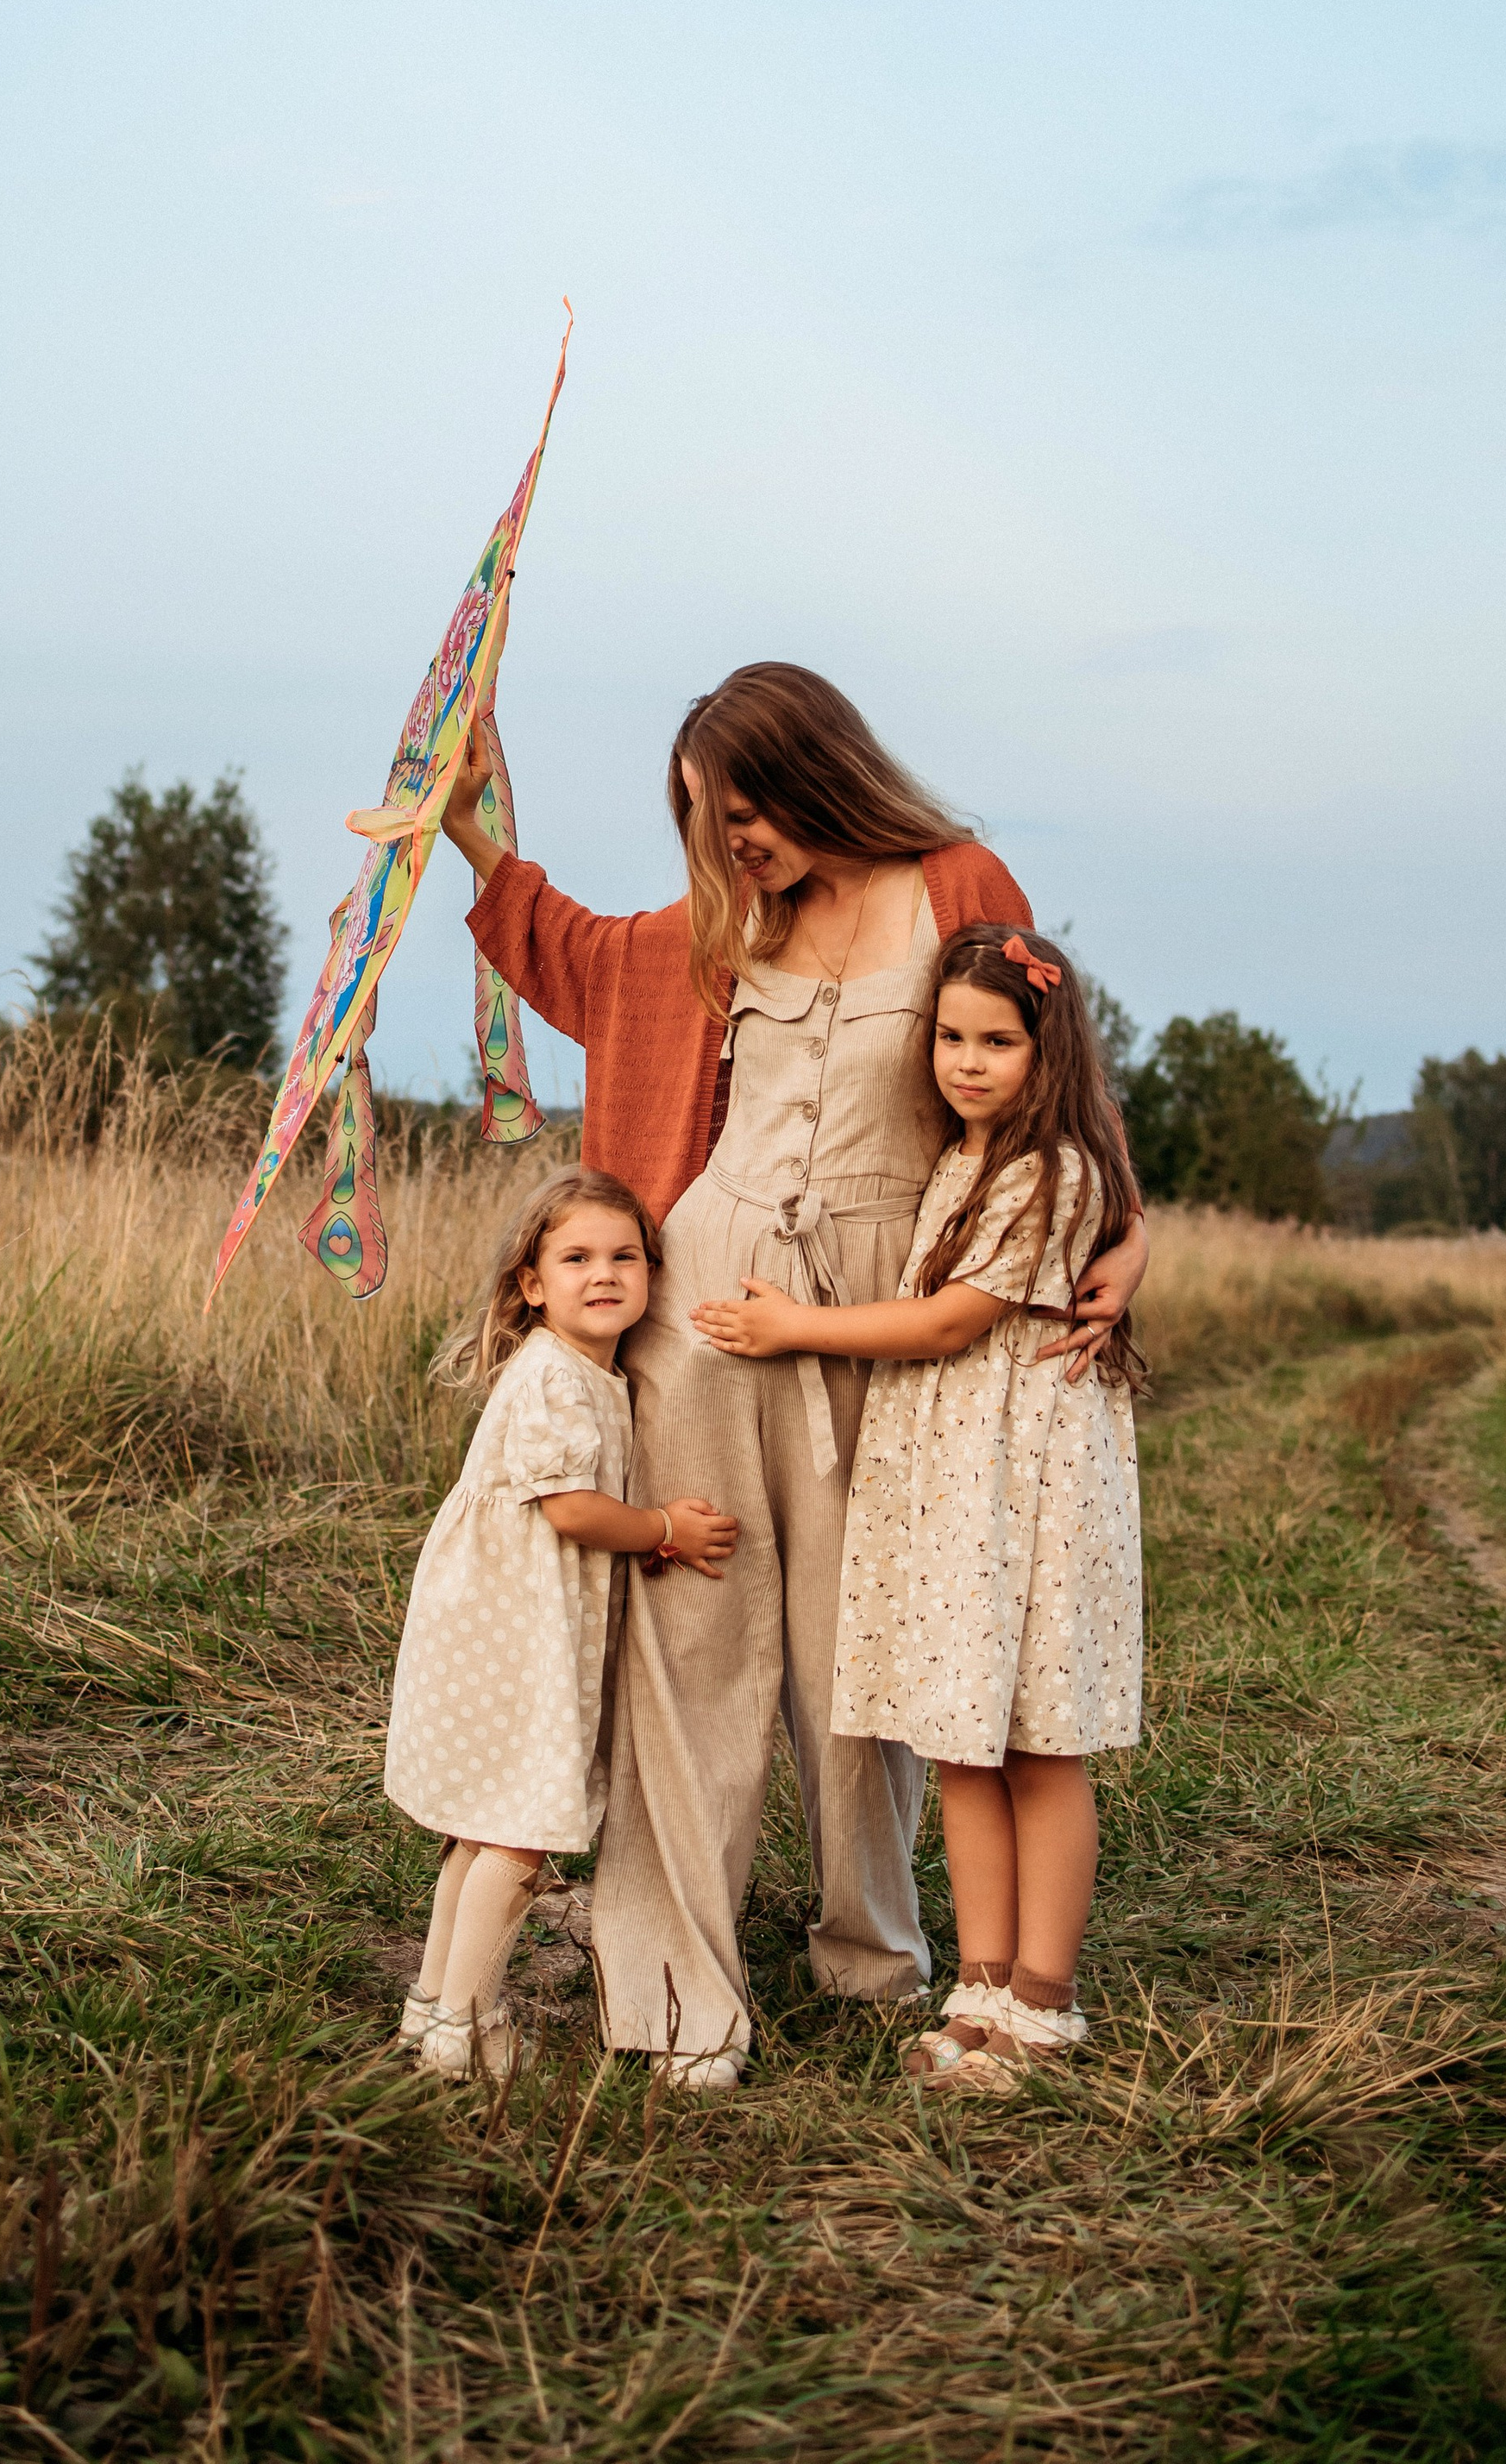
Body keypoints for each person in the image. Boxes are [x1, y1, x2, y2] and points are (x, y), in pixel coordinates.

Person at [441, 663, 1147, 2084]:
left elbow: (1051, 1069)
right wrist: (471, 838)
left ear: (818, 776)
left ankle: (870, 1948)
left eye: (744, 813)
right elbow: (586, 962)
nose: (728, 844)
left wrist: (1126, 1233)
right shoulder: (726, 918)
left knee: (860, 1644)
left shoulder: (957, 885)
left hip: (894, 1324)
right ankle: (670, 1973)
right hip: (709, 1306)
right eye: (705, 821)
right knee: (689, 1634)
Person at [693, 923, 1146, 2095]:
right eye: (950, 1037)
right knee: (960, 1739)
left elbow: (952, 1323)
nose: (967, 1062)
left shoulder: (1053, 1171)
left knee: (1037, 1745)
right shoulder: (960, 1154)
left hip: (1020, 1490)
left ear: (1049, 1052)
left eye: (997, 1041)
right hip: (954, 1491)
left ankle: (1043, 2000)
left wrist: (796, 1328)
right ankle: (980, 1989)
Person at [383, 1168, 738, 2082]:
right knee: (518, 1833)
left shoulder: (588, 1372)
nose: (604, 1274)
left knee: (483, 1825)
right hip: (512, 1630)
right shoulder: (553, 1375)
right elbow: (573, 1510)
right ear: (533, 1284)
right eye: (576, 1258)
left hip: (511, 1620)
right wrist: (661, 1529)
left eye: (625, 1257)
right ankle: (466, 2024)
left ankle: (432, 2005)